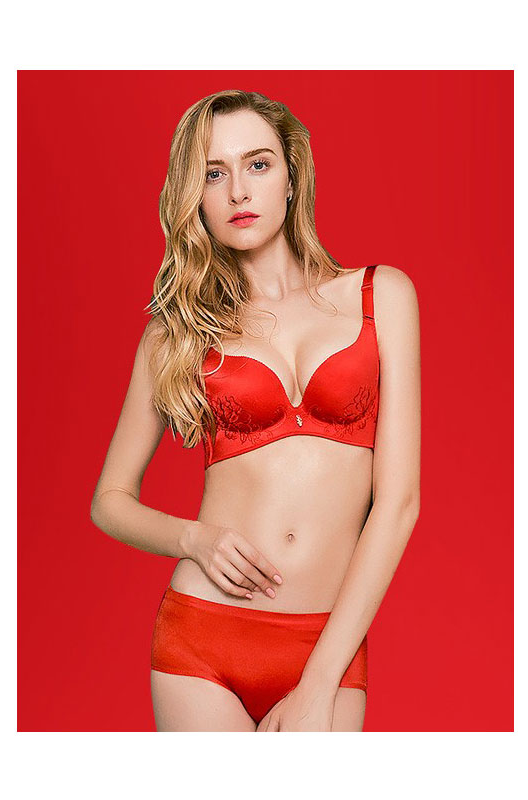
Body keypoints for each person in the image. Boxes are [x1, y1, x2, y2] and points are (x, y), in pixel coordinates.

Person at [90, 89, 421, 732]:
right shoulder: (178, 334)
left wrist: (319, 683)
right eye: (214, 173)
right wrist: (194, 539)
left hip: (326, 642)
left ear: (292, 177)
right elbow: (109, 500)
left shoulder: (383, 297)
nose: (238, 191)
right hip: (203, 639)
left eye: (258, 164)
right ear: (195, 196)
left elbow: (399, 502)